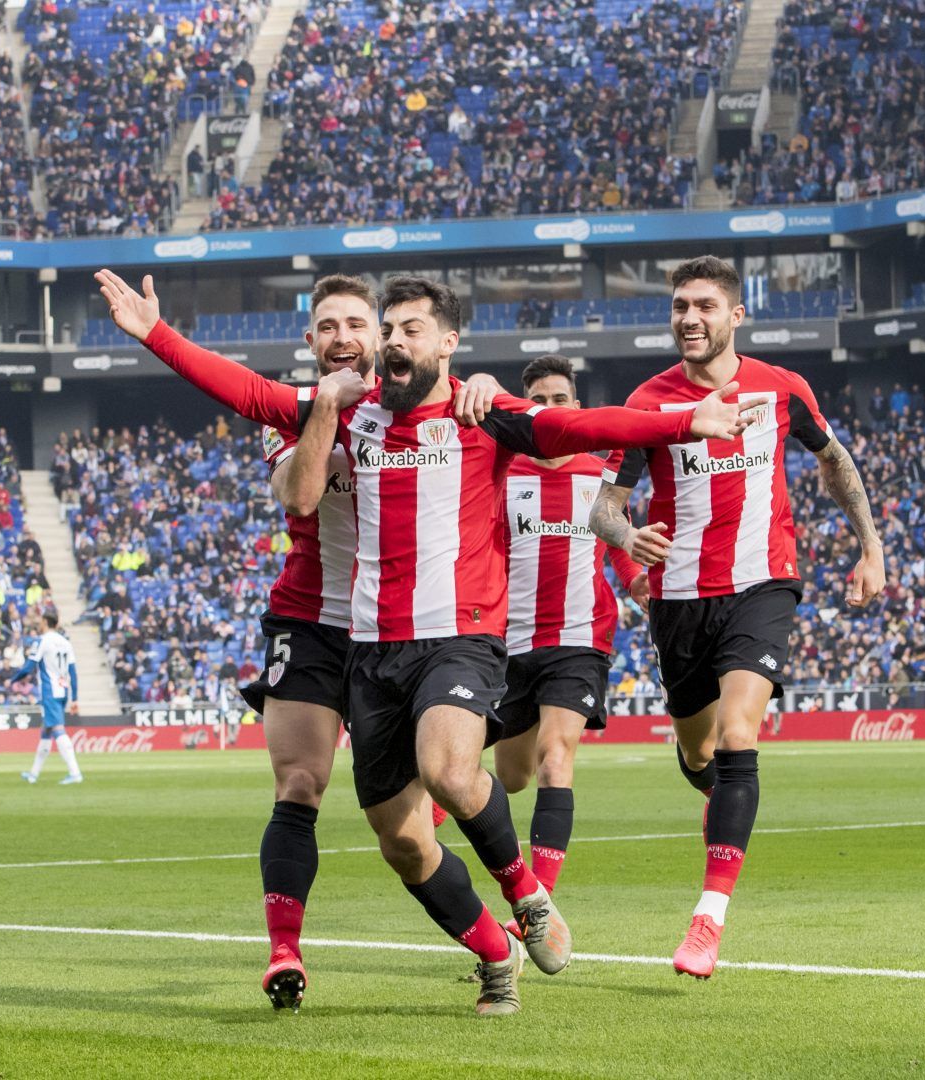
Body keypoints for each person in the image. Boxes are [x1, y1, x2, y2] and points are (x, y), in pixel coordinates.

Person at [95, 267, 757, 1016]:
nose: (395, 339)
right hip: (372, 649)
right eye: (392, 328)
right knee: (402, 842)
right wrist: (156, 333)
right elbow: (248, 394)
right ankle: (496, 951)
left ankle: (526, 895)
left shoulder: (487, 416)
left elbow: (577, 427)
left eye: (412, 329)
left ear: (447, 343)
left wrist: (680, 422)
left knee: (449, 770)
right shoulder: (349, 413)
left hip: (462, 637)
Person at [587, 255, 884, 978]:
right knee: (701, 751)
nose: (690, 317)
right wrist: (630, 537)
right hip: (680, 599)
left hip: (764, 582)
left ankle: (707, 921)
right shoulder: (647, 402)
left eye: (705, 306)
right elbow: (603, 508)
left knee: (738, 732)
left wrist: (871, 547)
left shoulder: (781, 390)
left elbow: (834, 460)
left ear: (735, 316)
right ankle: (705, 776)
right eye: (681, 305)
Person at [235, 274, 384, 1011]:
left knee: (414, 817)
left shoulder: (417, 410)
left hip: (400, 625)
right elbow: (298, 493)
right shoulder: (288, 412)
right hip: (310, 617)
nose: (342, 337)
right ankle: (283, 952)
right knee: (299, 784)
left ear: (380, 335)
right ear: (311, 341)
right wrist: (325, 408)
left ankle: (492, 931)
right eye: (328, 326)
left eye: (356, 323)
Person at [495, 354, 649, 904]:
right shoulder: (502, 469)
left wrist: (637, 583)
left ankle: (540, 907)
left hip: (580, 637)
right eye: (538, 400)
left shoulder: (600, 472)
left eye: (560, 399)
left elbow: (620, 542)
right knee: (511, 778)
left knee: (556, 758)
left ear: (576, 407)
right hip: (507, 643)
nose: (550, 408)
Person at [4, 611, 82, 785]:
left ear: (46, 622)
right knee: (46, 731)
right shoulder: (65, 642)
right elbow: (73, 673)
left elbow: (29, 666)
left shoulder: (42, 641)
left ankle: (75, 772)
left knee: (57, 728)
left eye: (40, 622)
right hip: (63, 690)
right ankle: (33, 774)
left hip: (49, 690)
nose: (39, 625)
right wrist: (74, 697)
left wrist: (13, 680)